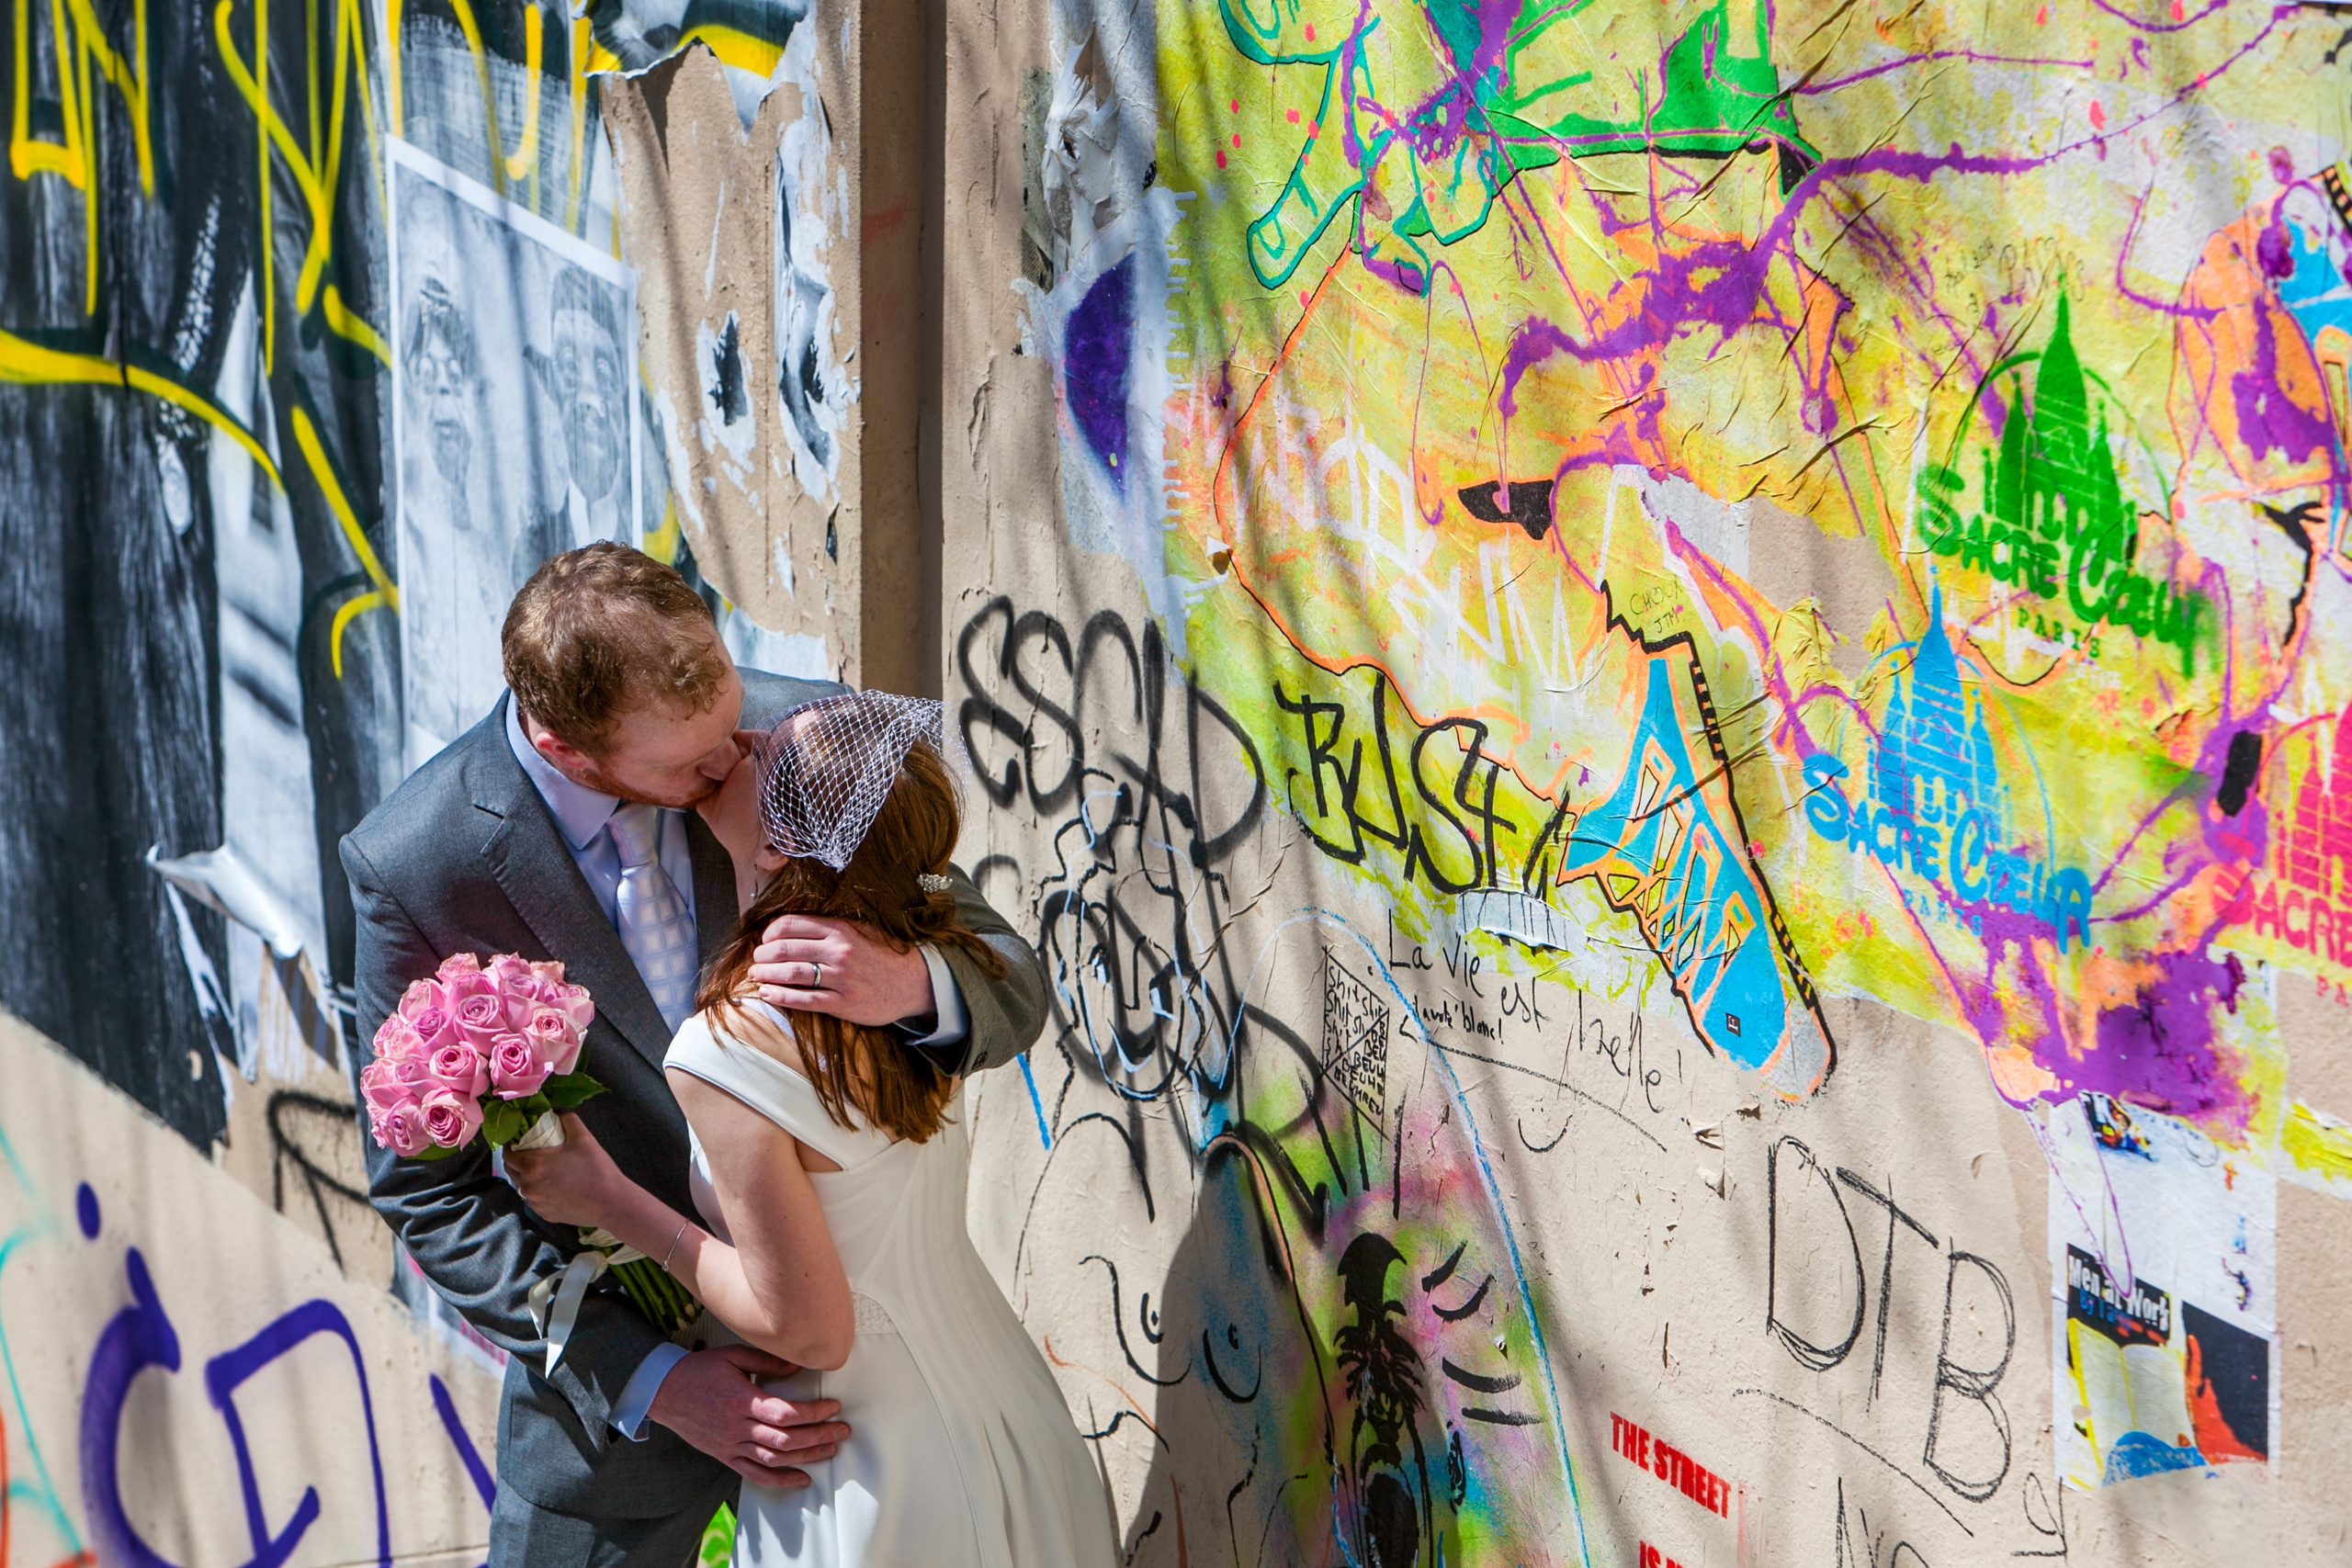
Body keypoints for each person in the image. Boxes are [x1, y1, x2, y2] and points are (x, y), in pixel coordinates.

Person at [342, 544, 1050, 1568]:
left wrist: (913, 985)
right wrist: (654, 1382)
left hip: (866, 1407)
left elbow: (1012, 981)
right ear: (568, 748)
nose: (731, 765)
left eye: (729, 725)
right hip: (617, 1422)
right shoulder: (419, 861)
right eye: (687, 765)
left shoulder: (797, 739)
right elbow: (427, 1193)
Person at [506, 691, 1116, 1567]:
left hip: (868, 1471)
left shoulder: (746, 1038)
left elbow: (811, 1333)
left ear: (784, 841)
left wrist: (607, 1195)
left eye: (764, 754)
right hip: (1009, 1417)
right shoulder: (907, 919)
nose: (746, 736)